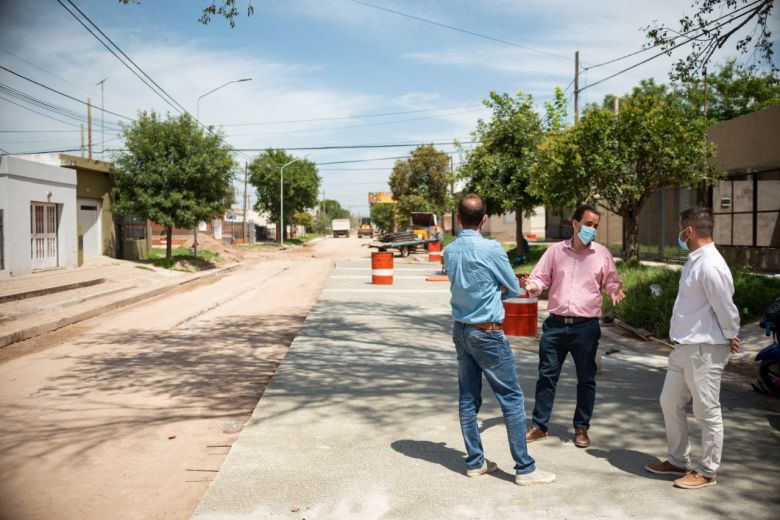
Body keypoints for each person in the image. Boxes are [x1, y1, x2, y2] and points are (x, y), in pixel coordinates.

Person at [444, 193, 555, 486]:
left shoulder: (450, 250)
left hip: (462, 330)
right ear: (484, 219)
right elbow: (513, 287)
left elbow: (465, 286)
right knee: (512, 398)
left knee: (468, 398)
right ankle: (524, 468)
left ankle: (475, 461)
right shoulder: (492, 248)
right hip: (488, 333)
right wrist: (519, 288)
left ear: (458, 219)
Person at [645, 207, 740, 489]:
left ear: (689, 231)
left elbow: (725, 305)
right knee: (669, 402)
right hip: (684, 347)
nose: (679, 234)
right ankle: (677, 459)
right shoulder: (695, 260)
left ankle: (708, 470)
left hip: (705, 349)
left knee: (707, 411)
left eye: (680, 229)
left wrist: (731, 333)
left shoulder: (710, 264)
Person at [524, 204, 624, 448]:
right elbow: (540, 278)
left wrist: (615, 290)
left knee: (586, 379)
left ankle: (581, 428)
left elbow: (611, 281)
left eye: (596, 226)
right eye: (589, 224)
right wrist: (534, 286)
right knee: (547, 376)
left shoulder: (602, 254)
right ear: (575, 223)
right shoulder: (555, 252)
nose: (592, 230)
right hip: (556, 326)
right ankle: (539, 425)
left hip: (586, 327)